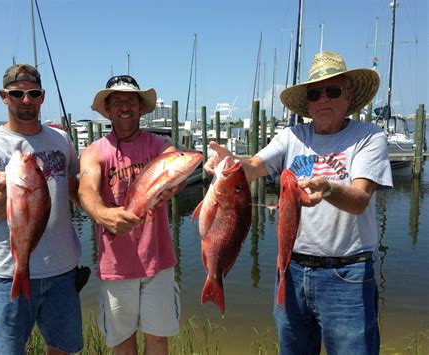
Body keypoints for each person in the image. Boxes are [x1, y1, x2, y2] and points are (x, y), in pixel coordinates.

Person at [204, 51, 393, 354]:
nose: (323, 100)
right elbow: (253, 165)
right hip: (290, 270)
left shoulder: (369, 137)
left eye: (332, 91)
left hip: (347, 275)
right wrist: (229, 164)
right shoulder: (292, 135)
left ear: (349, 97)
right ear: (307, 102)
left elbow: (359, 200)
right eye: (315, 93)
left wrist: (328, 188)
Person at [0, 64, 83, 355]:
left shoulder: (62, 139)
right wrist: (6, 188)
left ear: (42, 97)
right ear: (4, 96)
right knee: (8, 350)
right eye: (17, 93)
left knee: (61, 349)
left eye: (33, 93)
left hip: (63, 270)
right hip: (10, 271)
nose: (26, 100)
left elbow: (75, 190)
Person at [78, 75, 181, 354]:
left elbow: (175, 164)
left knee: (158, 339)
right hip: (116, 266)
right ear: (108, 109)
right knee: (122, 344)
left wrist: (174, 180)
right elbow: (86, 188)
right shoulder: (94, 151)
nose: (125, 106)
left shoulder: (159, 144)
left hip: (158, 261)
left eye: (131, 100)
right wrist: (102, 215)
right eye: (118, 101)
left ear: (140, 107)